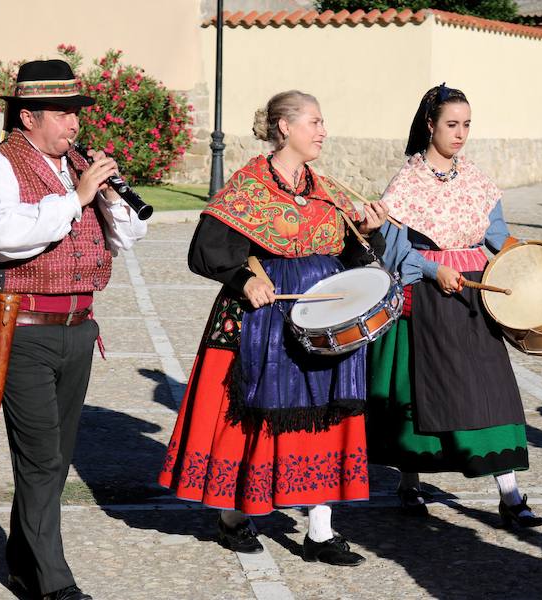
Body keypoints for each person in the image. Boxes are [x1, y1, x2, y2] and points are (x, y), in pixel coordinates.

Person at [159, 90, 388, 566]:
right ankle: (235, 518)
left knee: (328, 418)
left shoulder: (327, 190)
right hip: (263, 322)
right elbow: (206, 251)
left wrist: (369, 233)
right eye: (315, 122)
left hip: (325, 319)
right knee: (256, 420)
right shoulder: (247, 189)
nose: (323, 131)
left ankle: (321, 531)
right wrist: (244, 279)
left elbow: (353, 256)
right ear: (285, 127)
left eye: (323, 122)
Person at [0, 59, 147, 600]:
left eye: (76, 114)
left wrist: (110, 199)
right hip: (21, 328)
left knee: (56, 458)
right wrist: (77, 198)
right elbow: (0, 236)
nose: (74, 125)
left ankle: (22, 563)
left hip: (78, 327)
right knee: (41, 457)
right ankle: (54, 585)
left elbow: (126, 239)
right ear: (27, 115)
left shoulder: (76, 168)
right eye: (63, 114)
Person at [367, 84, 542, 527]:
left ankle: (510, 493)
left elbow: (499, 238)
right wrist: (432, 270)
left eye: (466, 124)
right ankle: (410, 483)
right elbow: (391, 251)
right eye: (452, 124)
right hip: (428, 299)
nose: (461, 133)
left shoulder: (478, 181)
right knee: (422, 392)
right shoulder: (406, 183)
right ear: (430, 125)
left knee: (490, 389)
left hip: (478, 297)